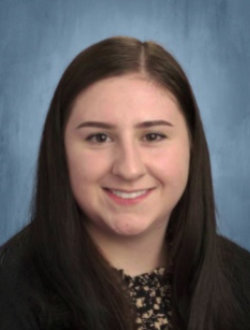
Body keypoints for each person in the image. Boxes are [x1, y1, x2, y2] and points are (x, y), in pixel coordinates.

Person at [0, 36, 249, 330]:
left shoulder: (242, 277)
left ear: (192, 146)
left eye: (153, 136)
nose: (129, 169)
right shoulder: (8, 289)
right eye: (99, 138)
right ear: (60, 151)